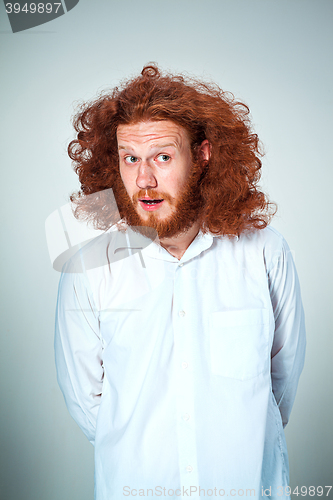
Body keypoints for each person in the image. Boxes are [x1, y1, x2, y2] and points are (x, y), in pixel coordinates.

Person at [55, 65, 306, 500]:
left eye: (163, 157)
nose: (144, 179)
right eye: (130, 158)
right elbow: (87, 402)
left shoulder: (265, 252)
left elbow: (280, 382)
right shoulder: (90, 267)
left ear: (203, 155)